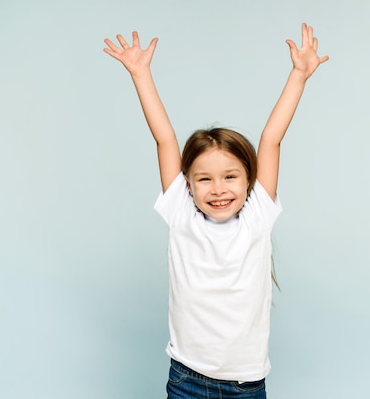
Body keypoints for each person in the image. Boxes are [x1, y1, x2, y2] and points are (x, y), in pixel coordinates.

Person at [103, 23, 328, 399]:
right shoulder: (181, 212)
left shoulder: (258, 215)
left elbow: (271, 138)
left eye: (230, 177)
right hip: (186, 379)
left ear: (249, 181)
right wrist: (140, 75)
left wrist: (298, 76)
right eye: (204, 179)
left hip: (247, 385)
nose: (219, 189)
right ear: (187, 184)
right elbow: (164, 137)